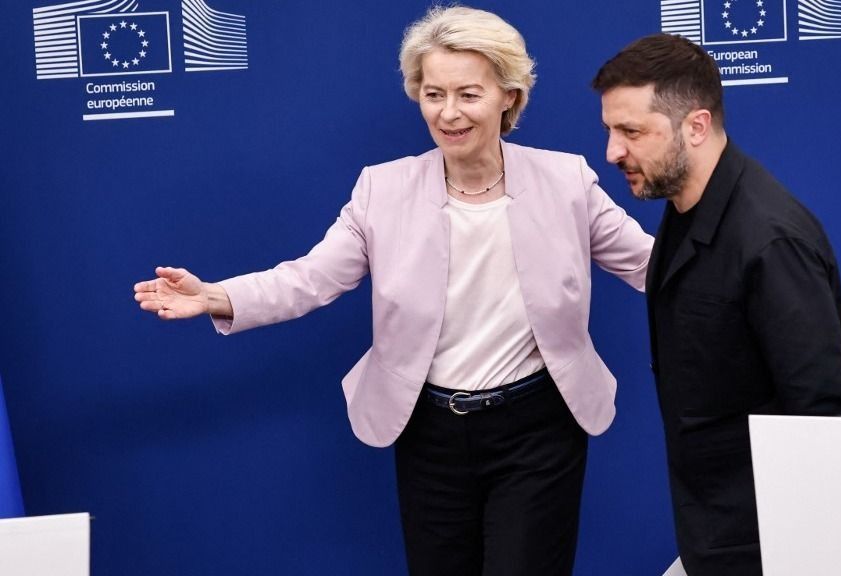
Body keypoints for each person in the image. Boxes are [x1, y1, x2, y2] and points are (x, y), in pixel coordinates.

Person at [134, 7, 652, 576]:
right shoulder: (382, 189)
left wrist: (734, 264)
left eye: (468, 94)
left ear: (509, 95)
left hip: (538, 428)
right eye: (433, 94)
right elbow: (310, 278)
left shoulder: (567, 181)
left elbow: (652, 266)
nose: (448, 113)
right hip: (427, 431)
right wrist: (215, 296)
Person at [592, 34, 841, 576]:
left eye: (631, 131)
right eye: (610, 130)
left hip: (768, 543)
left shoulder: (770, 241)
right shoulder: (684, 207)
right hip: (713, 531)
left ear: (695, 126)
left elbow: (825, 416)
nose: (612, 152)